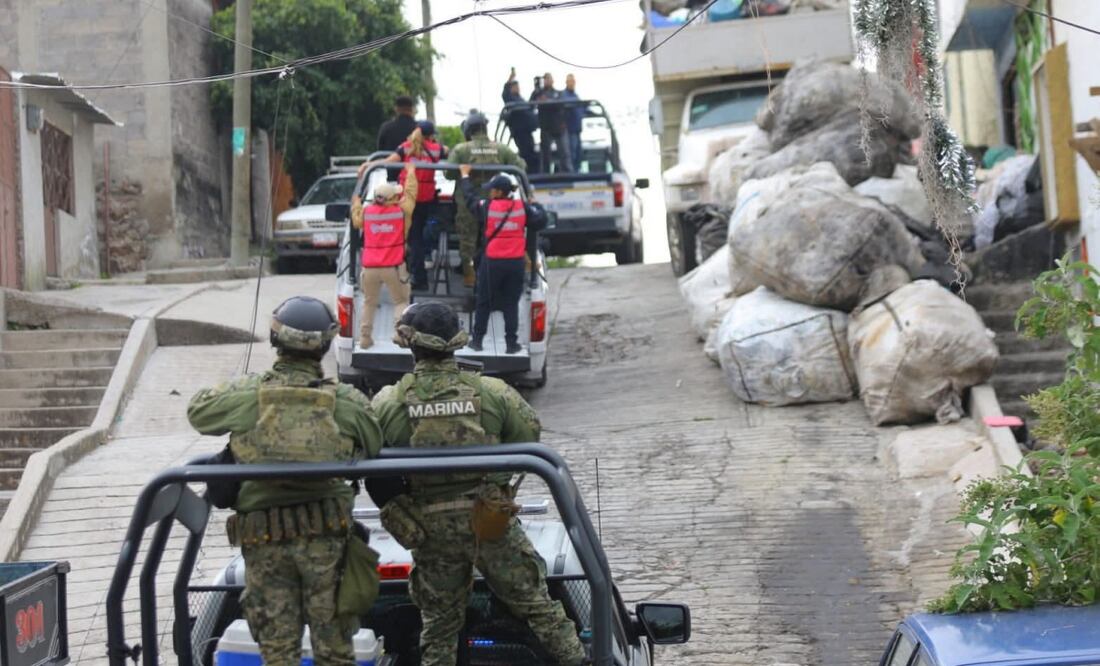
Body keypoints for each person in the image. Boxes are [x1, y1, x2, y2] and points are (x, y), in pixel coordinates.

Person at [371, 301, 587, 666]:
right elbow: (527, 438)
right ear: (455, 342)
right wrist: (493, 485)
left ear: (410, 345)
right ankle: (579, 661)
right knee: (537, 607)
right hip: (491, 522)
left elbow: (374, 461)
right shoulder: (494, 393)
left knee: (439, 625)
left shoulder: (389, 403)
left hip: (431, 529)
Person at [187, 296, 383, 666]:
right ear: (325, 344)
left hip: (264, 543)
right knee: (336, 650)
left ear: (275, 340)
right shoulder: (346, 401)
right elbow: (374, 442)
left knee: (277, 652)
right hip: (327, 541)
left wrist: (240, 386)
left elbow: (198, 411)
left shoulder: (250, 396)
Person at [459, 165, 546, 354]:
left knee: (483, 302)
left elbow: (470, 200)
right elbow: (541, 221)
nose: (489, 192)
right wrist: (536, 204)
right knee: (510, 304)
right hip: (515, 263)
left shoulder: (488, 207)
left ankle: (477, 341)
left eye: (491, 189)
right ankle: (511, 344)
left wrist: (465, 177)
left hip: (493, 262)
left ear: (499, 192)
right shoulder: (522, 208)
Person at [361, 123, 450, 290]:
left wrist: (368, 165)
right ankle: (426, 257)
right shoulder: (436, 149)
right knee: (426, 232)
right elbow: (448, 151)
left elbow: (388, 162)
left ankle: (419, 277)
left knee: (414, 239)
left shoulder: (405, 148)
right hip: (427, 199)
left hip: (409, 199)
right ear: (431, 135)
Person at [448, 110, 526, 289]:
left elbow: (448, 173)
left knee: (467, 239)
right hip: (495, 205)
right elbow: (521, 166)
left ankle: (469, 275)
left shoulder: (461, 150)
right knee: (491, 238)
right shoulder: (501, 148)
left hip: (467, 204)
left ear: (468, 129)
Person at [351, 162, 418, 349]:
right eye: (396, 194)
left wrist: (356, 202)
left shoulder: (367, 213)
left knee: (369, 303)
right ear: (391, 199)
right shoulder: (401, 213)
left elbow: (356, 220)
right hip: (393, 268)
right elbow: (411, 194)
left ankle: (365, 338)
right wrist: (411, 172)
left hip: (370, 268)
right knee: (400, 301)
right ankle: (398, 335)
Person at [530, 72, 571, 174]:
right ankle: (546, 173)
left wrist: (547, 101)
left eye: (548, 78)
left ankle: (566, 172)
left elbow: (560, 105)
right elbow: (531, 105)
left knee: (564, 152)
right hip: (546, 128)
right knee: (546, 155)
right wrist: (536, 92)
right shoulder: (538, 93)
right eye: (545, 79)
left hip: (559, 127)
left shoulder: (558, 93)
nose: (547, 81)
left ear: (552, 80)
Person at [501, 68, 539, 169]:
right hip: (519, 131)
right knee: (525, 153)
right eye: (515, 87)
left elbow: (529, 106)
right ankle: (528, 172)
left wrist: (535, 93)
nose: (518, 88)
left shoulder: (520, 99)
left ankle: (533, 170)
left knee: (532, 152)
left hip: (527, 130)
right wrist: (511, 77)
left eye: (518, 86)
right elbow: (505, 92)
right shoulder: (510, 98)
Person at [562, 74, 584, 172]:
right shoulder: (564, 95)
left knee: (579, 153)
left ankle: (577, 170)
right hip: (569, 130)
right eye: (570, 81)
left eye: (573, 81)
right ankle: (572, 173)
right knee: (572, 153)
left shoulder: (575, 95)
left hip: (577, 129)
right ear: (567, 82)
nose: (572, 83)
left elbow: (582, 109)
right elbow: (567, 105)